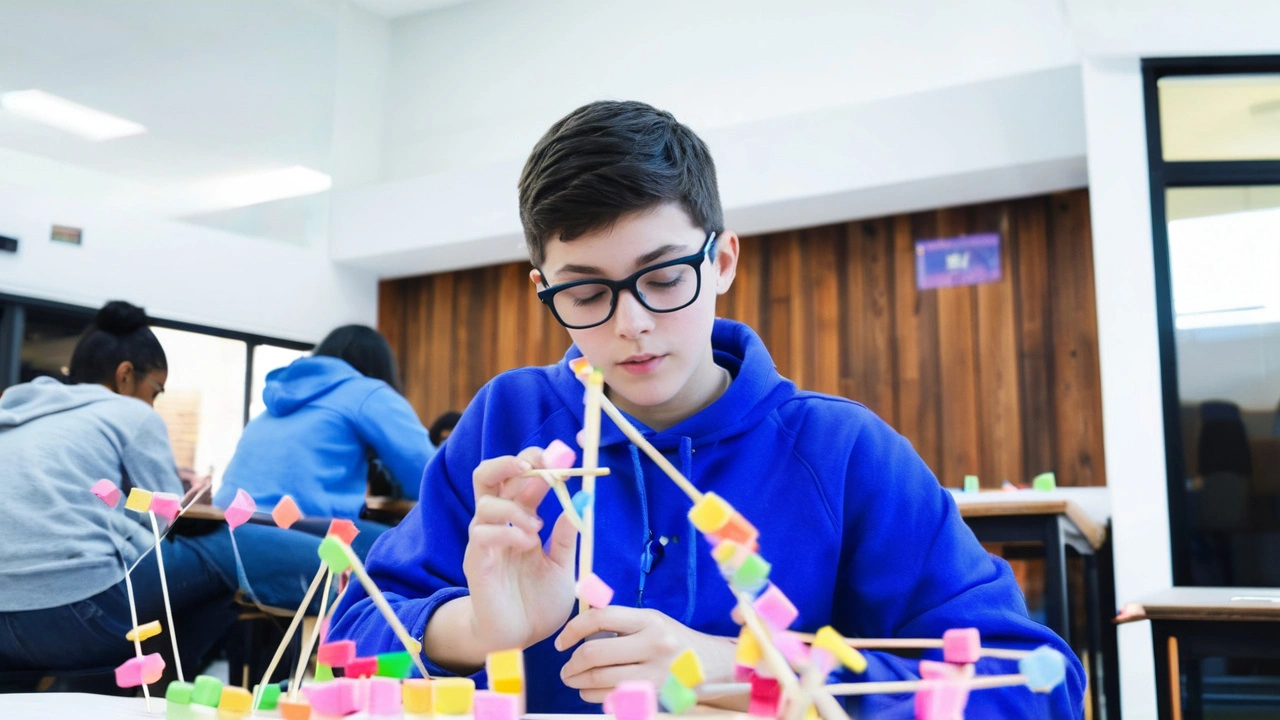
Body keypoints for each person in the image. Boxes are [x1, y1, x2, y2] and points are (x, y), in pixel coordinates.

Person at [329, 101, 1085, 718]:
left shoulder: (842, 451)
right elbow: (348, 634)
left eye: (662, 277)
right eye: (587, 293)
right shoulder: (509, 425)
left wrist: (745, 672)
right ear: (543, 291)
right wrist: (475, 629)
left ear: (721, 261)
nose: (632, 324)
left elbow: (1035, 682)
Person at [0, 301, 323, 683]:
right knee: (220, 543)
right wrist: (185, 497)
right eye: (156, 390)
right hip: (80, 614)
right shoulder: (130, 413)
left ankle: (144, 680)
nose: (154, 402)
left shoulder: (18, 413)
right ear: (125, 376)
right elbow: (168, 523)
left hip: (7, 628)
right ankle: (350, 580)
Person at [215, 325, 434, 553]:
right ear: (381, 366)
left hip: (224, 523)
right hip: (294, 530)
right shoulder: (367, 392)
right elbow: (430, 475)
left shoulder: (281, 396)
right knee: (409, 550)